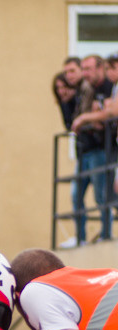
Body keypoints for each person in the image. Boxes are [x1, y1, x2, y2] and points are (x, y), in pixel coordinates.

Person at [71, 55, 114, 245]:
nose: (85, 73)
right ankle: (80, 237)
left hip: (103, 150)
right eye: (84, 69)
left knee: (102, 195)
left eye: (88, 69)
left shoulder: (109, 87)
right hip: (86, 151)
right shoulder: (89, 89)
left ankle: (106, 234)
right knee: (76, 195)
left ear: (101, 68)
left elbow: (109, 114)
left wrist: (87, 118)